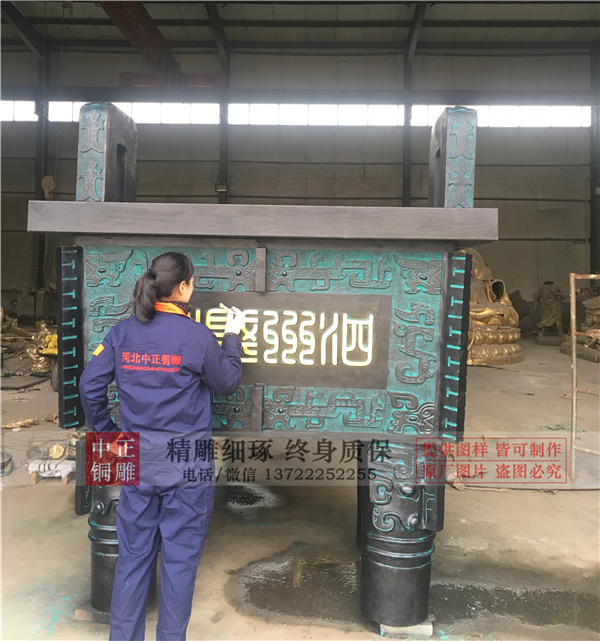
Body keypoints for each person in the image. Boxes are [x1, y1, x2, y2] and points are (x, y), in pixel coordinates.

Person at [79, 251, 244, 641]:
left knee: (133, 557)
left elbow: (89, 386)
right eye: (193, 282)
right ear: (183, 287)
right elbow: (227, 382)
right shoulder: (197, 336)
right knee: (179, 562)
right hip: (186, 464)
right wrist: (232, 336)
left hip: (136, 456)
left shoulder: (123, 332)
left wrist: (109, 436)